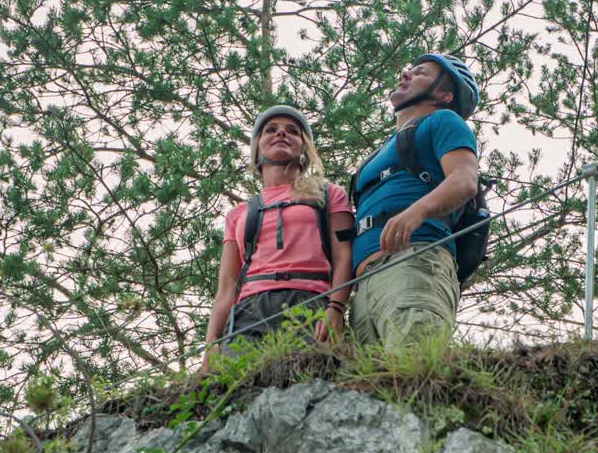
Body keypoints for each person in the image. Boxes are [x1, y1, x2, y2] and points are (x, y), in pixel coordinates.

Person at [202, 105, 354, 365]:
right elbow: (226, 288)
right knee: (236, 391)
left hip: (310, 301)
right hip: (249, 311)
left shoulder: (329, 195)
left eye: (292, 131)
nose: (281, 134)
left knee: (310, 380)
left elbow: (344, 256)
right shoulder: (238, 213)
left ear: (304, 148)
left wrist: (336, 308)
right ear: (257, 149)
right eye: (271, 130)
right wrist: (211, 345)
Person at [348, 54, 480, 349]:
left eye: (420, 73)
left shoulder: (443, 120)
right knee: (370, 388)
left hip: (415, 261)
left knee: (413, 371)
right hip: (363, 284)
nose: (406, 74)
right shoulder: (379, 152)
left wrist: (416, 211)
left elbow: (464, 179)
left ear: (444, 95)